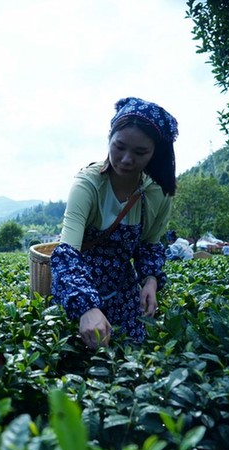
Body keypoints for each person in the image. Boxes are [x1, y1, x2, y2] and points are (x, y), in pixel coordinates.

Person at [50, 97, 178, 348]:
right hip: (78, 289)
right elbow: (66, 254)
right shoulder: (88, 184)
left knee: (129, 361)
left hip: (124, 295)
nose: (127, 159)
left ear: (154, 153)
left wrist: (150, 280)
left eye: (140, 152)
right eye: (119, 147)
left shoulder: (157, 193)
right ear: (109, 139)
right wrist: (86, 307)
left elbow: (150, 246)